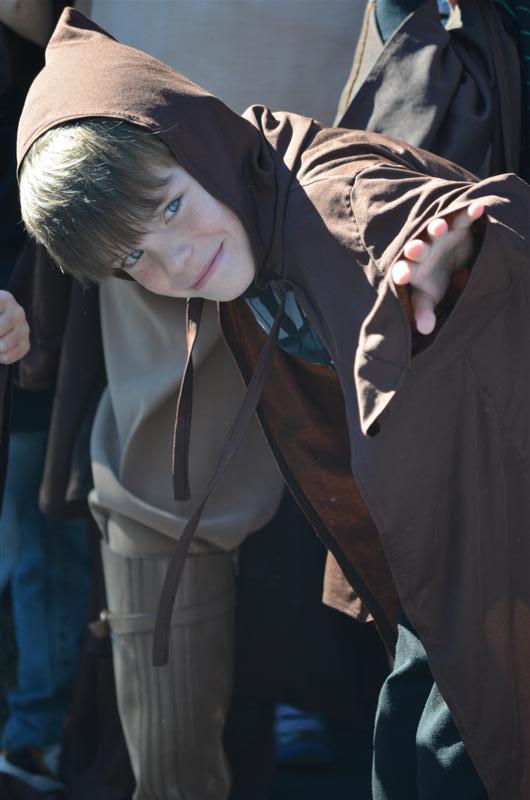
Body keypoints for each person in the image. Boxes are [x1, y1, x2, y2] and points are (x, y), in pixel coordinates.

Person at [15, 8, 530, 800]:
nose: (177, 260)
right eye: (134, 257)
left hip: (493, 539)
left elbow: (431, 222)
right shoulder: (244, 206)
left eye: (170, 206)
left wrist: (453, 259)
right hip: (432, 551)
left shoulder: (330, 196)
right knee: (406, 745)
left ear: (196, 141)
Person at [0, 2, 92, 794]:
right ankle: (38, 727)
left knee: (41, 543)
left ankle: (40, 726)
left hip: (37, 340)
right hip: (30, 342)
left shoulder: (43, 67)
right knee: (42, 546)